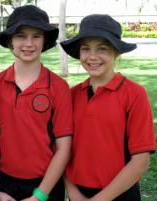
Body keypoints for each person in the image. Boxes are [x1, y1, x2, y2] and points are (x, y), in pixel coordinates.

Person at [60, 14, 156, 201]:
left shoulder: (134, 94)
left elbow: (141, 162)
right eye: (85, 48)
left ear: (116, 52)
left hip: (120, 193)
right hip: (78, 193)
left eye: (102, 49)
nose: (92, 56)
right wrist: (73, 193)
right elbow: (62, 151)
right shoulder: (70, 96)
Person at [0, 5, 73, 201]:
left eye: (36, 36)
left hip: (46, 185)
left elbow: (64, 148)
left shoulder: (58, 87)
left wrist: (39, 195)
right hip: (3, 184)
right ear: (10, 41)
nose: (29, 43)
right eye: (21, 36)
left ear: (45, 41)